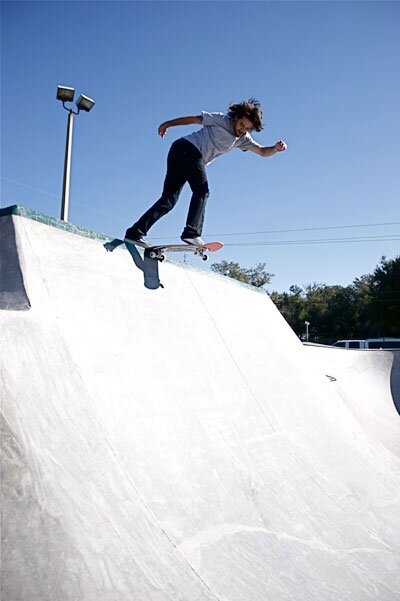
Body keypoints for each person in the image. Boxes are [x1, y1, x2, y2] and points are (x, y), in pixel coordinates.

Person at [125, 98, 287, 247]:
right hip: (186, 148)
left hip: (185, 156)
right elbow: (194, 119)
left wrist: (275, 148)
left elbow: (262, 151)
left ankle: (134, 233)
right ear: (236, 117)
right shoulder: (221, 120)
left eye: (247, 128)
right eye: (241, 124)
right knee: (202, 190)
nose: (242, 130)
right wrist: (168, 123)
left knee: (168, 201)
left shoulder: (243, 139)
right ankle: (191, 232)